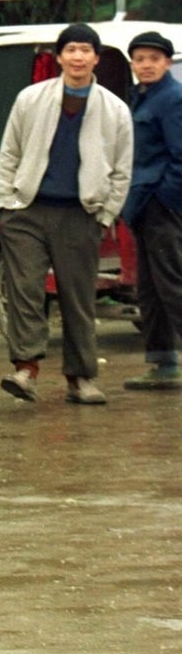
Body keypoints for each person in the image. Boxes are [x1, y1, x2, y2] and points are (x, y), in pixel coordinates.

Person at [0, 23, 133, 405]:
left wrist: (106, 214)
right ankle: (26, 369)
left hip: (80, 214)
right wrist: (7, 199)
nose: (77, 57)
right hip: (27, 211)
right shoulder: (31, 99)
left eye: (85, 50)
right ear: (58, 57)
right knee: (25, 290)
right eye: (70, 49)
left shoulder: (114, 109)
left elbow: (122, 169)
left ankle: (81, 377)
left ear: (96, 58)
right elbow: (10, 152)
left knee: (78, 297)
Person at [121, 31, 182, 390]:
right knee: (149, 289)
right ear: (133, 64)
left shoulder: (172, 98)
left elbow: (180, 155)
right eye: (140, 59)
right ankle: (163, 365)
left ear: (167, 63)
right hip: (142, 204)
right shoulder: (140, 97)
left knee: (172, 284)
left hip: (163, 205)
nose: (146, 65)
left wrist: (167, 198)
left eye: (153, 59)